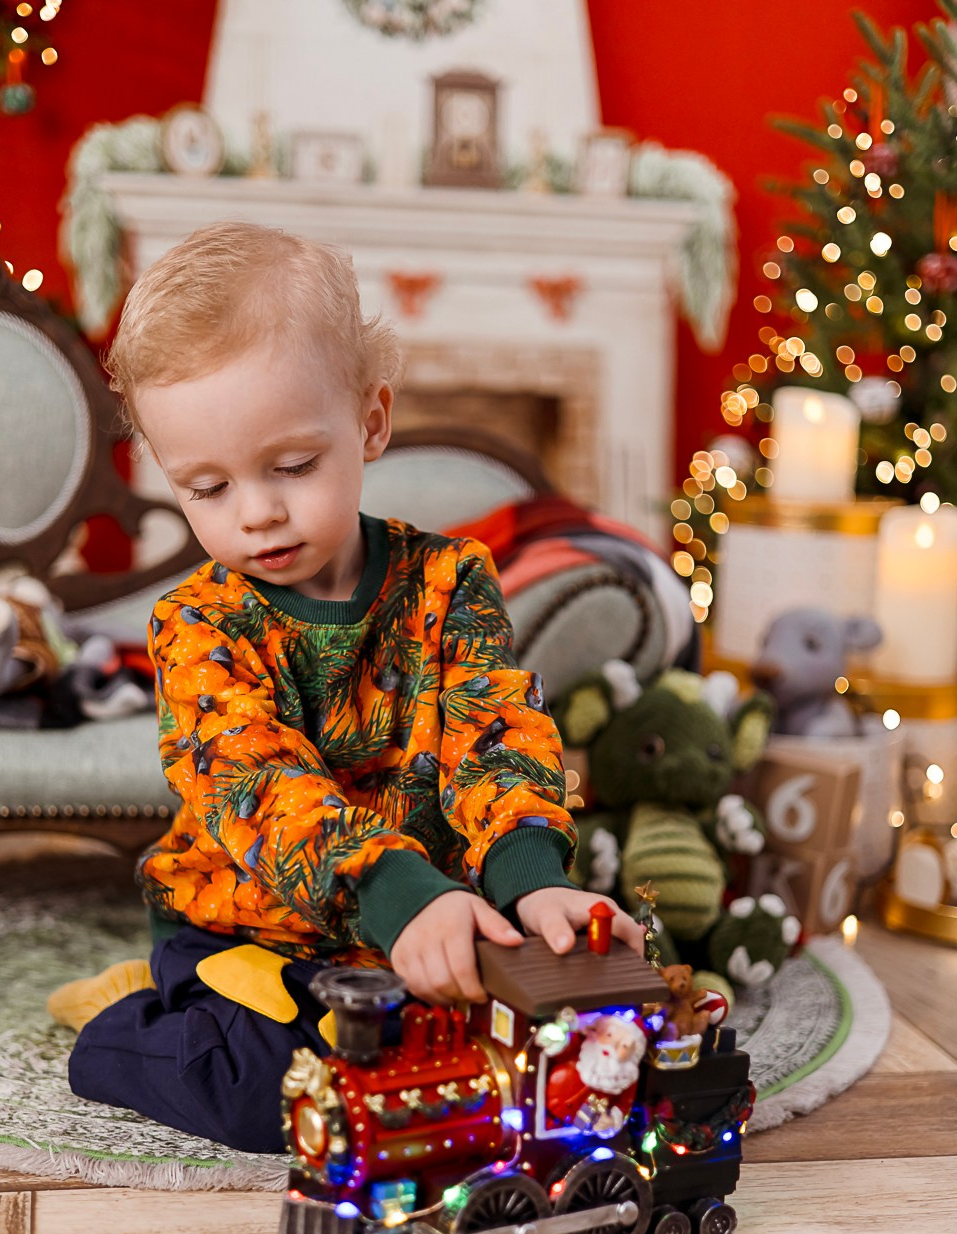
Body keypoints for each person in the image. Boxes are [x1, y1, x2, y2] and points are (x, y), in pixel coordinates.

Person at [48, 221, 643, 1153]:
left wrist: (533, 882)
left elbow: (492, 731)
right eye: (206, 488)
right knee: (278, 1094)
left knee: (531, 1055)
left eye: (291, 466)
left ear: (370, 422)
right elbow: (258, 788)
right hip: (257, 928)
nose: (257, 512)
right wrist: (401, 894)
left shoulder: (452, 580)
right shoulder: (197, 626)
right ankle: (128, 1019)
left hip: (430, 918)